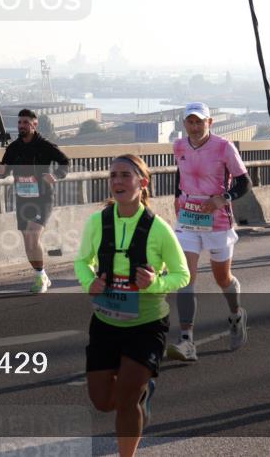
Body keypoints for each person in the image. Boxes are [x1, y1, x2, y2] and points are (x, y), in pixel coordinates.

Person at [75, 154, 190, 457]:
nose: (117, 182)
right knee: (102, 401)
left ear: (143, 182)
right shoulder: (97, 222)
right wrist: (90, 283)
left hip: (146, 325)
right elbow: (82, 261)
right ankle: (142, 391)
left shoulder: (158, 228)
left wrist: (156, 283)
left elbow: (182, 274)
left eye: (125, 175)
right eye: (113, 176)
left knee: (126, 401)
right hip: (106, 323)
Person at [166, 102, 252, 362]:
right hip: (188, 218)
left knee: (222, 277)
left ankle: (236, 314)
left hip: (217, 220)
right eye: (190, 122)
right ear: (184, 124)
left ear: (209, 122)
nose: (194, 126)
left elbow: (244, 182)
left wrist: (222, 199)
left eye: (199, 122)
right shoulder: (179, 146)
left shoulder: (224, 147)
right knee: (185, 277)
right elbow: (179, 177)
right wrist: (177, 199)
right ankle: (186, 340)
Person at [0, 109, 70, 293]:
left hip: (43, 198)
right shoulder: (13, 148)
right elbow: (3, 171)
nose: (22, 126)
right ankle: (40, 273)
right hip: (22, 198)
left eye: (25, 123)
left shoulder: (44, 145)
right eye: (20, 123)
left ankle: (40, 279)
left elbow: (65, 162)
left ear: (34, 125)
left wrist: (56, 175)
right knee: (27, 240)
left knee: (33, 235)